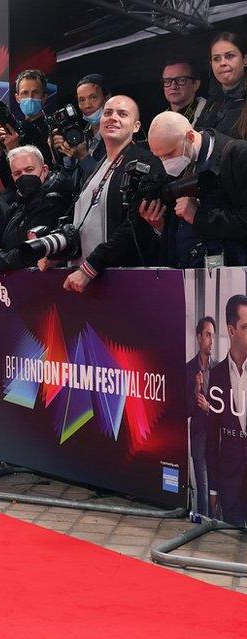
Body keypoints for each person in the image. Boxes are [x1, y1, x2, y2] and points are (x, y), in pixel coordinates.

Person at [61, 96, 165, 293]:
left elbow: (137, 223)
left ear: (136, 126)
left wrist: (91, 267)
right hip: (85, 278)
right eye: (107, 113)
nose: (112, 118)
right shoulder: (97, 167)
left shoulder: (146, 162)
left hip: (120, 280)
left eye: (122, 114)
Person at [143, 111, 246, 268]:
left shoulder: (237, 154)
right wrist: (161, 227)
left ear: (190, 137)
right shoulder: (178, 168)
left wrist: (199, 216)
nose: (166, 163)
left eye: (170, 154)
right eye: (160, 157)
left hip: (231, 275)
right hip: (184, 273)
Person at [0, 145, 72, 273]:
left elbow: (30, 251)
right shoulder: (18, 202)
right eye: (17, 173)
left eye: (29, 170)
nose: (24, 176)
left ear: (45, 170)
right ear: (12, 177)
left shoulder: (55, 199)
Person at [207, 295, 247, 527]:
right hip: (230, 482)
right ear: (231, 331)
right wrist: (213, 488)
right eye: (246, 327)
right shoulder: (218, 375)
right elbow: (213, 438)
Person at [51, 74, 109, 186]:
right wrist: (60, 154)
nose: (87, 105)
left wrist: (83, 156)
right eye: (82, 100)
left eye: (93, 97)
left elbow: (107, 181)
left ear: (107, 98)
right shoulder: (80, 135)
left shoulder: (116, 136)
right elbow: (72, 180)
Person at [0, 69, 55, 169]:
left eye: (35, 92)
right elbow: (8, 183)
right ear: (17, 98)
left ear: (44, 97)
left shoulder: (52, 130)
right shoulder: (15, 130)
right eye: (25, 93)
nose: (30, 97)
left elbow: (48, 173)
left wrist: (16, 152)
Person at [188, 316, 216, 517]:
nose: (211, 341)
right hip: (198, 435)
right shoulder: (189, 369)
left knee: (216, 486)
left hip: (216, 438)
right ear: (199, 337)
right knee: (202, 484)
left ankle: (214, 522)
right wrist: (195, 388)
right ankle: (203, 524)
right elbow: (185, 411)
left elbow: (224, 409)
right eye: (207, 335)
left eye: (213, 336)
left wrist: (208, 407)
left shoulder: (219, 369)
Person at [198, 32, 246, 137]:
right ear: (211, 64)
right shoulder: (212, 101)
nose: (222, 63)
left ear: (245, 60)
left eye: (230, 56)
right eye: (216, 59)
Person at [162, 57, 206, 126]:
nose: (173, 86)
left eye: (181, 80)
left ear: (196, 84)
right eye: (167, 81)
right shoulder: (160, 121)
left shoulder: (210, 115)